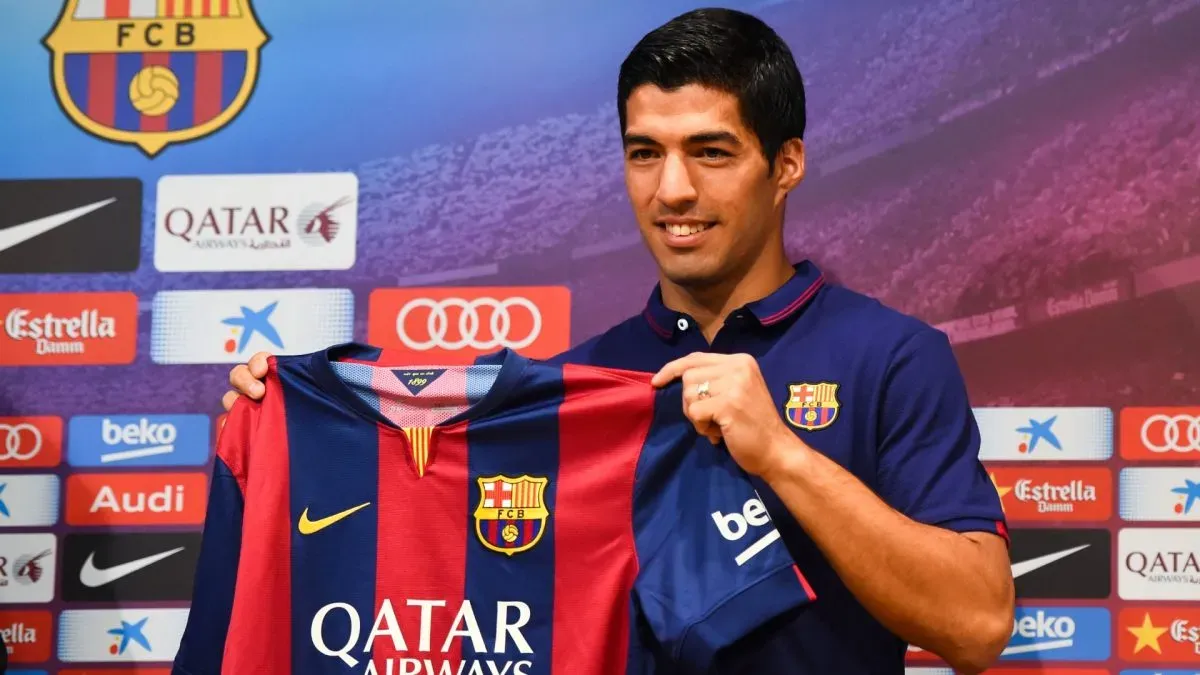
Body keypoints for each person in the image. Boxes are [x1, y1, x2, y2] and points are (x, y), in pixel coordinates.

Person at [222, 7, 1014, 674]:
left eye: (711, 151)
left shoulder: (891, 356)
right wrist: (292, 423)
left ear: (787, 164)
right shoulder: (568, 386)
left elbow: (976, 625)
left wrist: (783, 455)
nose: (672, 190)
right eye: (645, 154)